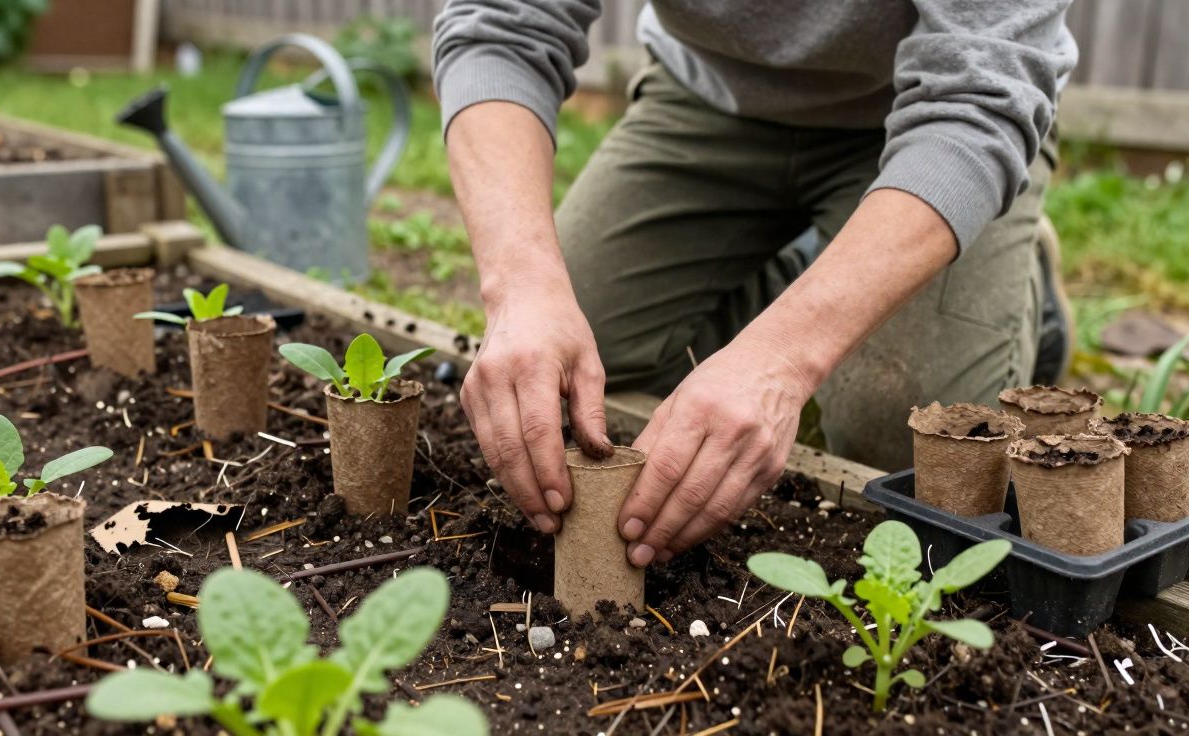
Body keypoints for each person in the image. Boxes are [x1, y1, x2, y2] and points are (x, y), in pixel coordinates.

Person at [432, 1, 1077, 568]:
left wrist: (783, 359)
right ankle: (806, 272)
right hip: (709, 99)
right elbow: (500, 28)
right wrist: (521, 286)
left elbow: (979, 101)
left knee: (903, 424)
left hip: (927, 125)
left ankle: (1018, 291)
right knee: (565, 357)